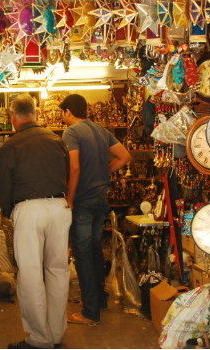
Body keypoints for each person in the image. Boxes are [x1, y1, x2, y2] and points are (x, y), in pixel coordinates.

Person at [0, 94, 72, 349]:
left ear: (13, 117)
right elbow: (69, 172)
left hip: (29, 209)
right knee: (57, 271)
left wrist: (6, 213)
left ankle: (39, 338)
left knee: (30, 274)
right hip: (59, 207)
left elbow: (3, 185)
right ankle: (56, 333)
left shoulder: (10, 146)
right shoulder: (56, 140)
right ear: (36, 114)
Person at [59, 94, 132, 325]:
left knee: (82, 254)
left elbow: (75, 168)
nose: (63, 117)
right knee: (94, 251)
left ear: (68, 112)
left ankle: (89, 312)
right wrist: (104, 173)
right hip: (101, 198)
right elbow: (125, 157)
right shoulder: (100, 130)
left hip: (83, 200)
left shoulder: (71, 132)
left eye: (63, 113)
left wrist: (69, 199)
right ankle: (98, 300)